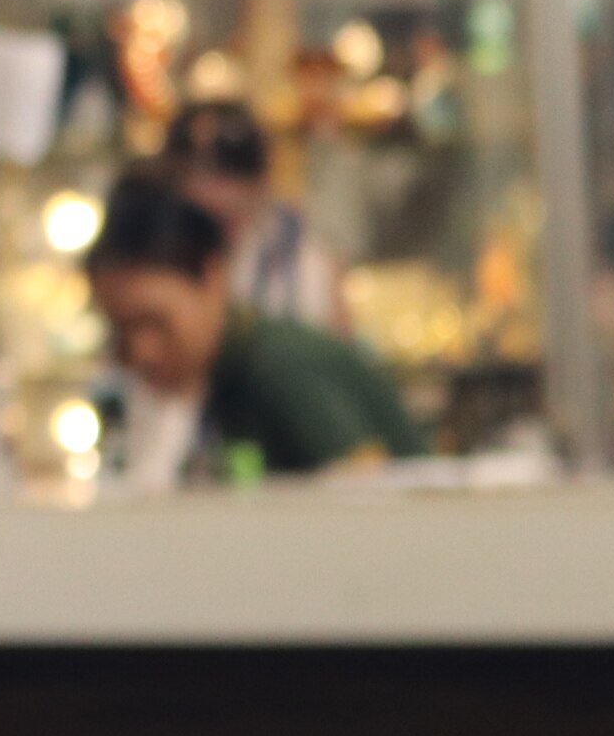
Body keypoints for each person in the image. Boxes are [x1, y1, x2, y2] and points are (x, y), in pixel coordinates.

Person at [85, 168, 421, 486]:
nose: (141, 350)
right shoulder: (219, 381)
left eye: (154, 322)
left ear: (211, 277)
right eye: (121, 330)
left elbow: (368, 507)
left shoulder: (281, 368)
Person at [162, 98, 340, 334]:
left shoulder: (303, 258)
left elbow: (336, 345)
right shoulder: (158, 255)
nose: (213, 194)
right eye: (194, 171)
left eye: (229, 169)